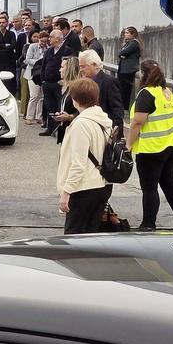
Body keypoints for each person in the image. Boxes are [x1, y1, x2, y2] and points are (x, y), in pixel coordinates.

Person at [129, 60, 173, 231]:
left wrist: (128, 144)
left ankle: (148, 224)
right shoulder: (166, 92)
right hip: (172, 145)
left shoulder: (146, 94)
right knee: (170, 184)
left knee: (149, 188)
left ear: (143, 74)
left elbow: (137, 122)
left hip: (152, 148)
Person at [56, 78, 114, 234]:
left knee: (72, 237)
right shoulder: (103, 120)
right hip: (101, 185)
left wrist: (66, 191)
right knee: (90, 236)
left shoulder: (81, 124)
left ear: (75, 100)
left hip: (83, 188)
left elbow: (79, 163)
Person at [78, 50, 124, 127]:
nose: (81, 70)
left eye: (83, 66)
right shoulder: (84, 82)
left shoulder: (109, 82)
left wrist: (115, 131)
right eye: (80, 66)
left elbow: (117, 109)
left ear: (94, 65)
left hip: (104, 128)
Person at [38, 30, 67, 136]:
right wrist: (43, 80)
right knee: (49, 106)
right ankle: (50, 128)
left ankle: (61, 129)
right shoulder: (49, 51)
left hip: (58, 83)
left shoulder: (66, 50)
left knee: (60, 106)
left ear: (58, 38)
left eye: (51, 37)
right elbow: (43, 66)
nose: (49, 39)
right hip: (47, 83)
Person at [52, 56, 83, 144]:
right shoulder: (67, 88)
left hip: (75, 133)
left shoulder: (78, 89)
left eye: (62, 67)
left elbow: (84, 111)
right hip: (65, 131)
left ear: (70, 69)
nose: (59, 70)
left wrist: (69, 117)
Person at [23, 32, 46, 124]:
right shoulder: (32, 47)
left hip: (42, 74)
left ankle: (39, 116)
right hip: (32, 73)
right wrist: (39, 62)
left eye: (45, 41)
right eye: (41, 41)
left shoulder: (48, 48)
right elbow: (27, 60)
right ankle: (29, 117)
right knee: (34, 96)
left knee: (41, 97)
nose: (43, 43)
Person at [117, 27, 141, 110]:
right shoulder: (128, 43)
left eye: (127, 33)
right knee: (121, 90)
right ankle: (123, 108)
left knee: (125, 91)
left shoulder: (134, 43)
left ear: (133, 34)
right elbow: (120, 54)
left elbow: (123, 52)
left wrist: (122, 54)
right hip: (124, 70)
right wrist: (122, 54)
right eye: (125, 33)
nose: (125, 34)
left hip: (128, 71)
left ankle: (125, 109)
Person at [0, 15, 19, 82]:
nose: (1, 24)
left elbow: (14, 45)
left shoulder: (11, 34)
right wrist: (6, 45)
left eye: (3, 22)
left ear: (7, 23)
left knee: (10, 79)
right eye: (0, 23)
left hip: (9, 59)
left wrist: (0, 47)